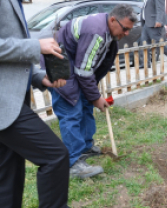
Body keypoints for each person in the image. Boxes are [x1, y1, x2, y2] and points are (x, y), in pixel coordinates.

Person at [45, 4, 137, 179]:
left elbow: (90, 64)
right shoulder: (96, 32)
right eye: (125, 29)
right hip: (62, 68)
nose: (126, 33)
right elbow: (83, 71)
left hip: (77, 67)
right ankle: (73, 163)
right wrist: (96, 97)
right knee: (71, 111)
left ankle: (85, 147)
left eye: (129, 30)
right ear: (112, 20)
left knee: (86, 106)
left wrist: (92, 94)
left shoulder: (108, 30)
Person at [0, 0, 70, 207]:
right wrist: (36, 46)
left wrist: (39, 77)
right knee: (55, 157)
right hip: (4, 105)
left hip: (10, 102)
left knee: (8, 176)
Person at [139, 0, 167, 68]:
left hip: (154, 24)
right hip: (146, 23)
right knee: (143, 44)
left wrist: (159, 20)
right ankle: (145, 63)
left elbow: (160, 8)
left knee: (159, 44)